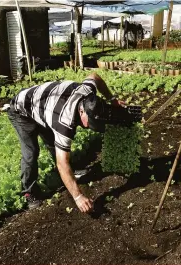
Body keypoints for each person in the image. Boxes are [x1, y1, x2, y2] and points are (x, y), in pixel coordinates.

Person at [7, 73, 123, 212]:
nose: (88, 127)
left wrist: (112, 98)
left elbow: (94, 76)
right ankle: (28, 192)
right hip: (21, 111)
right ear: (81, 111)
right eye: (89, 123)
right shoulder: (63, 121)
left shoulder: (87, 91)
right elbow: (62, 163)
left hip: (45, 106)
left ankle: (70, 174)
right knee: (31, 152)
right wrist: (78, 196)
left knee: (52, 142)